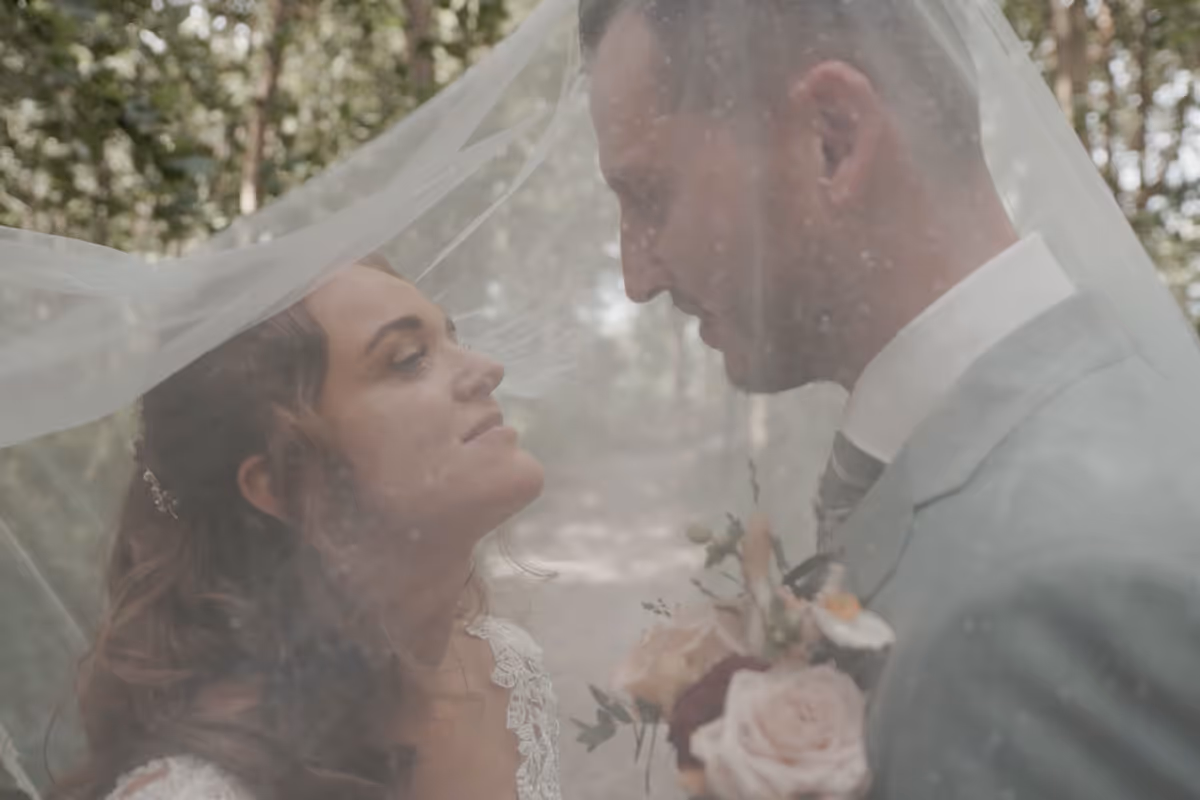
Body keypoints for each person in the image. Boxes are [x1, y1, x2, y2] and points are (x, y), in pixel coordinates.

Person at [582, 1, 1200, 797]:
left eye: (649, 195)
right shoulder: (1105, 417)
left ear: (832, 139)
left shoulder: (1044, 593)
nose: (636, 277)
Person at [47, 258, 560, 800]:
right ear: (286, 482)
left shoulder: (505, 672)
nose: (488, 368)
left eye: (453, 338)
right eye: (409, 359)